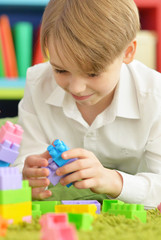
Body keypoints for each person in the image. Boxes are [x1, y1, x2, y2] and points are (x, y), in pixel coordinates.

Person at [13, 0, 161, 209]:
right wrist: (26, 175)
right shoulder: (38, 82)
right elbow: (23, 160)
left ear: (128, 52)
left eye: (92, 73)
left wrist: (112, 180)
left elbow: (158, 187)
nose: (77, 88)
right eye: (61, 70)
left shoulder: (155, 96)